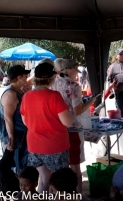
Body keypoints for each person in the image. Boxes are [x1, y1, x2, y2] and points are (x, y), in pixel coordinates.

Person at [20, 61, 73, 193]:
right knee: (60, 184)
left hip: (35, 145)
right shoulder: (54, 96)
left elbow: (25, 121)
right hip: (56, 146)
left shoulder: (27, 96)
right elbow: (68, 122)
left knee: (43, 180)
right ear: (52, 77)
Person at [51, 59, 97, 193]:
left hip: (57, 127)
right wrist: (91, 101)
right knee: (75, 164)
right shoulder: (73, 85)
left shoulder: (53, 83)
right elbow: (77, 110)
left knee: (59, 164)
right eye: (76, 70)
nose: (77, 74)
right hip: (72, 128)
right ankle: (77, 194)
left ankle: (59, 193)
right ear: (71, 70)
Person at [0, 65, 30, 175]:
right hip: (16, 139)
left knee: (23, 167)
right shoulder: (10, 94)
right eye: (25, 76)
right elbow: (8, 119)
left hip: (21, 136)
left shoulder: (18, 91)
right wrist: (11, 140)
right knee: (18, 168)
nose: (27, 77)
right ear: (19, 77)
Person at [106, 48, 123, 117]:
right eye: (121, 54)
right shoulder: (112, 67)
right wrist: (110, 86)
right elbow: (108, 80)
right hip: (120, 97)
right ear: (116, 56)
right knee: (122, 117)